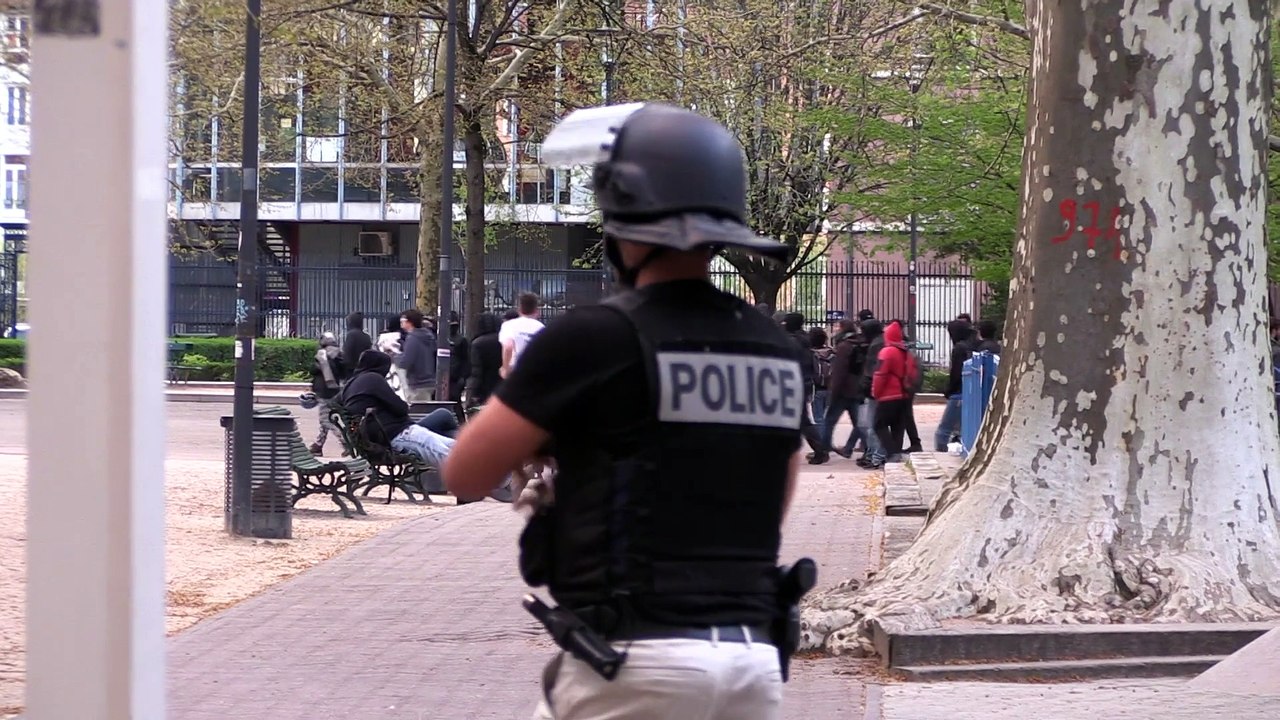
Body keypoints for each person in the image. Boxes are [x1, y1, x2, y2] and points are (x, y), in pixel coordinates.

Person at [443, 102, 814, 720]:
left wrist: (557, 448)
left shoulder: (595, 336)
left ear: (623, 222)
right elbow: (773, 492)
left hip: (637, 659)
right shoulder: (776, 347)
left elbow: (463, 474)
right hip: (751, 658)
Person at [339, 350, 453, 469]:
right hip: (398, 434)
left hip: (381, 438)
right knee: (450, 453)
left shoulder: (350, 385)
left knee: (453, 446)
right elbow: (401, 408)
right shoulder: (373, 378)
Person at [868, 321, 916, 468]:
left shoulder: (887, 352)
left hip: (888, 395)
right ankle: (895, 456)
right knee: (897, 427)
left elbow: (880, 374)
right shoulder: (905, 351)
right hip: (903, 395)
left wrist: (875, 392)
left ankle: (892, 453)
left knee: (879, 425)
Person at [783, 312, 828, 464]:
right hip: (804, 382)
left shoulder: (791, 341)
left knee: (801, 420)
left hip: (793, 383)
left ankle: (820, 450)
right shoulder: (803, 339)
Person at [935, 319, 975, 451]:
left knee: (943, 430)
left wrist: (949, 390)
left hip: (958, 393)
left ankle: (941, 454)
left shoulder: (959, 348)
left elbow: (956, 372)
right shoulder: (972, 345)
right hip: (970, 392)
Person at [308, 331, 347, 455]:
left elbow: (313, 370)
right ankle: (318, 445)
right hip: (336, 390)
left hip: (323, 391)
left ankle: (345, 441)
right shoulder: (339, 354)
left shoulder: (322, 354)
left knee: (325, 420)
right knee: (327, 417)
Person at [397, 308, 438, 403]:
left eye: (403, 321)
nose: (401, 323)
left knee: (418, 411)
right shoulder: (428, 336)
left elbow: (406, 361)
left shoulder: (412, 339)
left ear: (410, 322)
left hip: (417, 382)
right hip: (429, 380)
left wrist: (396, 358)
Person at [499, 292, 545, 377]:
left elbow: (508, 346)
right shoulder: (541, 327)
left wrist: (505, 367)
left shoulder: (509, 325)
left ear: (519, 309)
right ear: (536, 310)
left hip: (516, 369)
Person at [466, 312, 504, 408]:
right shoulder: (504, 340)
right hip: (503, 386)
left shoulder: (477, 343)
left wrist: (471, 394)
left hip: (485, 389)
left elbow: (476, 372)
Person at [808, 327, 834, 442]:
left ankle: (821, 445)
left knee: (818, 418)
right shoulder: (832, 353)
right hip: (831, 388)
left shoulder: (811, 354)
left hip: (816, 388)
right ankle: (827, 442)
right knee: (827, 417)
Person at [448, 311, 470, 402]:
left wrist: (463, 377)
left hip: (455, 376)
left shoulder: (461, 340)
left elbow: (466, 359)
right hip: (453, 375)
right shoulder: (460, 340)